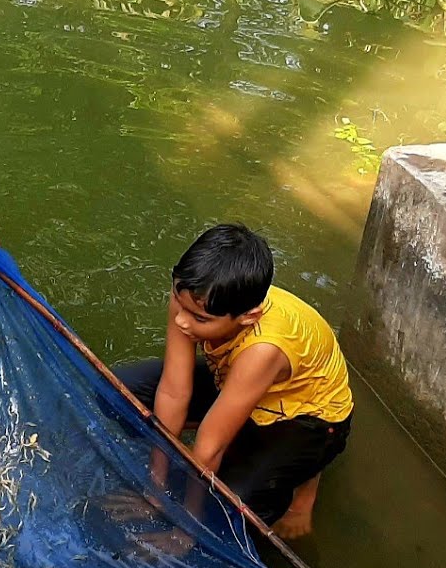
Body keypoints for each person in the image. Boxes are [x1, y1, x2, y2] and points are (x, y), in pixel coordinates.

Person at [114, 223, 354, 539]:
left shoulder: (265, 348)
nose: (181, 321)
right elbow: (173, 390)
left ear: (248, 317)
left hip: (307, 417)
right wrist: (155, 491)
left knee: (230, 504)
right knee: (121, 393)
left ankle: (306, 483)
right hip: (234, 379)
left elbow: (210, 444)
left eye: (199, 319)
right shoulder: (194, 297)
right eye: (179, 303)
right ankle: (233, 439)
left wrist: (187, 529)